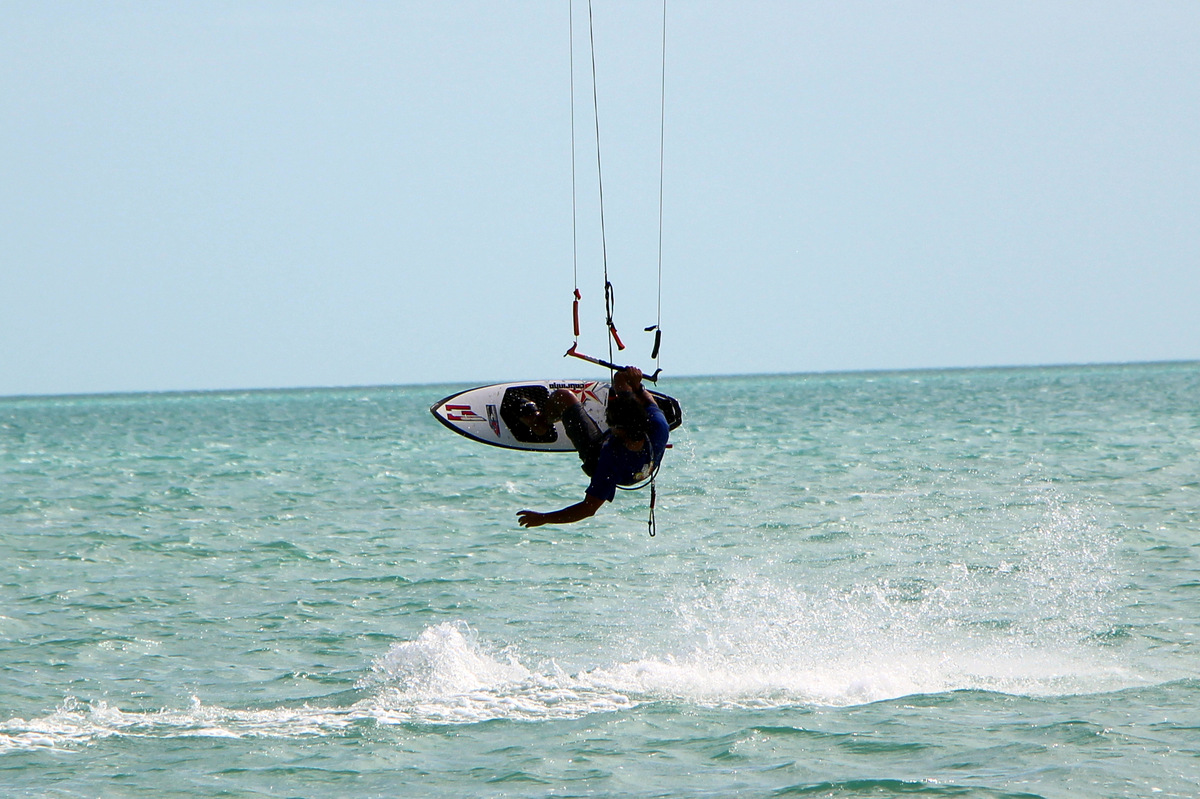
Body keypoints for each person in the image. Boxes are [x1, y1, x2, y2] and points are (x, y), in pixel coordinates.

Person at [517, 367, 669, 527]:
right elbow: (649, 401)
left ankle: (540, 424)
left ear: (617, 430)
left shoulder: (610, 460)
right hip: (639, 456)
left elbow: (588, 508)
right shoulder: (658, 425)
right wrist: (637, 386)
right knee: (621, 378)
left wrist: (544, 518)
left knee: (563, 397)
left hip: (600, 458)